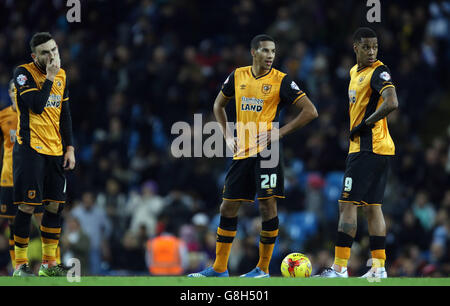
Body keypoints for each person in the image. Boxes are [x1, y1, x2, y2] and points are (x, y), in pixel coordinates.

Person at [188, 34, 318, 277]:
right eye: (266, 51)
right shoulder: (238, 76)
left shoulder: (281, 80)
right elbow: (218, 105)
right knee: (227, 207)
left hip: (268, 151)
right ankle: (219, 268)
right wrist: (227, 136)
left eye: (273, 52)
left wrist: (279, 132)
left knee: (268, 207)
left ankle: (263, 269)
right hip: (241, 152)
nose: (270, 56)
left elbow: (310, 111)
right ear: (254, 52)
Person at [317, 27, 398, 279]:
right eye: (366, 47)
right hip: (375, 149)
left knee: (347, 204)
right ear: (355, 47)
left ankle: (340, 268)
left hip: (368, 147)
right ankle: (379, 268)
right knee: (373, 207)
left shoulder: (378, 72)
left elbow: (392, 101)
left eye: (375, 46)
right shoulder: (354, 72)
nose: (372, 51)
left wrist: (365, 124)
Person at [11, 32, 76, 277]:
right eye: (45, 52)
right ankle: (19, 265)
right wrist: (49, 77)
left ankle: (49, 264)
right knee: (28, 206)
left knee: (54, 206)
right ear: (34, 56)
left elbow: (65, 113)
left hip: (56, 150)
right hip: (30, 149)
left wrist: (70, 148)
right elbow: (37, 105)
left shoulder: (63, 75)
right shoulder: (23, 73)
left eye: (54, 50)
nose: (51, 56)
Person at [0, 80, 46, 270]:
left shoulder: (33, 115)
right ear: (9, 93)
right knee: (12, 224)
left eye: (18, 90)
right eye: (12, 90)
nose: (15, 93)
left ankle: (49, 263)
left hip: (30, 177)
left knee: (40, 219)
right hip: (9, 177)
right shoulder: (2, 116)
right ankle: (17, 268)